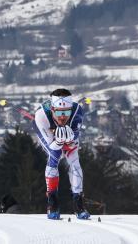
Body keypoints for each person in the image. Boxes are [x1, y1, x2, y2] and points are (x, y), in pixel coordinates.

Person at [33, 88, 90, 220]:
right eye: (59, 112)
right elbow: (53, 147)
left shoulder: (77, 112)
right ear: (53, 109)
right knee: (55, 156)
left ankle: (78, 203)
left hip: (67, 136)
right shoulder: (41, 116)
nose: (63, 116)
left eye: (66, 112)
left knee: (74, 160)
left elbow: (74, 138)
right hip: (47, 132)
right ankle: (52, 202)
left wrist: (70, 139)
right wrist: (58, 141)